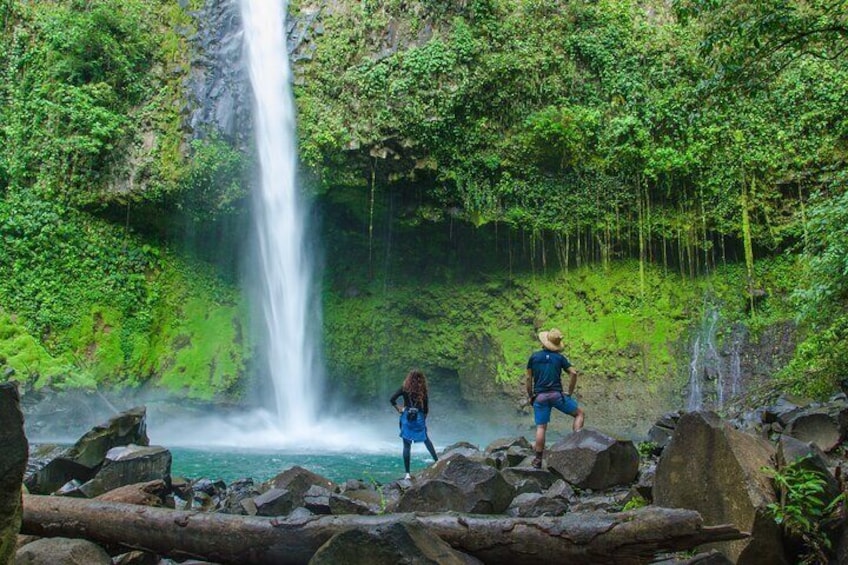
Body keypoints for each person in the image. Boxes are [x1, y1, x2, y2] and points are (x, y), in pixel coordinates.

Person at [526, 327, 585, 469]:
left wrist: (530, 396)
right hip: (557, 395)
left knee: (541, 427)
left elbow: (528, 378)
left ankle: (538, 460)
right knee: (579, 414)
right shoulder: (559, 358)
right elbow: (574, 373)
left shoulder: (534, 357)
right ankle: (577, 444)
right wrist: (569, 392)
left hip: (540, 396)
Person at [390, 369, 439, 480]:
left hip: (406, 417)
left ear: (409, 378)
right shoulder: (423, 390)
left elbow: (392, 399)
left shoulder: (404, 388)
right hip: (419, 417)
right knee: (426, 439)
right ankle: (437, 461)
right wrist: (422, 420)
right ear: (421, 379)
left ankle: (407, 473)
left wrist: (399, 409)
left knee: (406, 445)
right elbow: (426, 408)